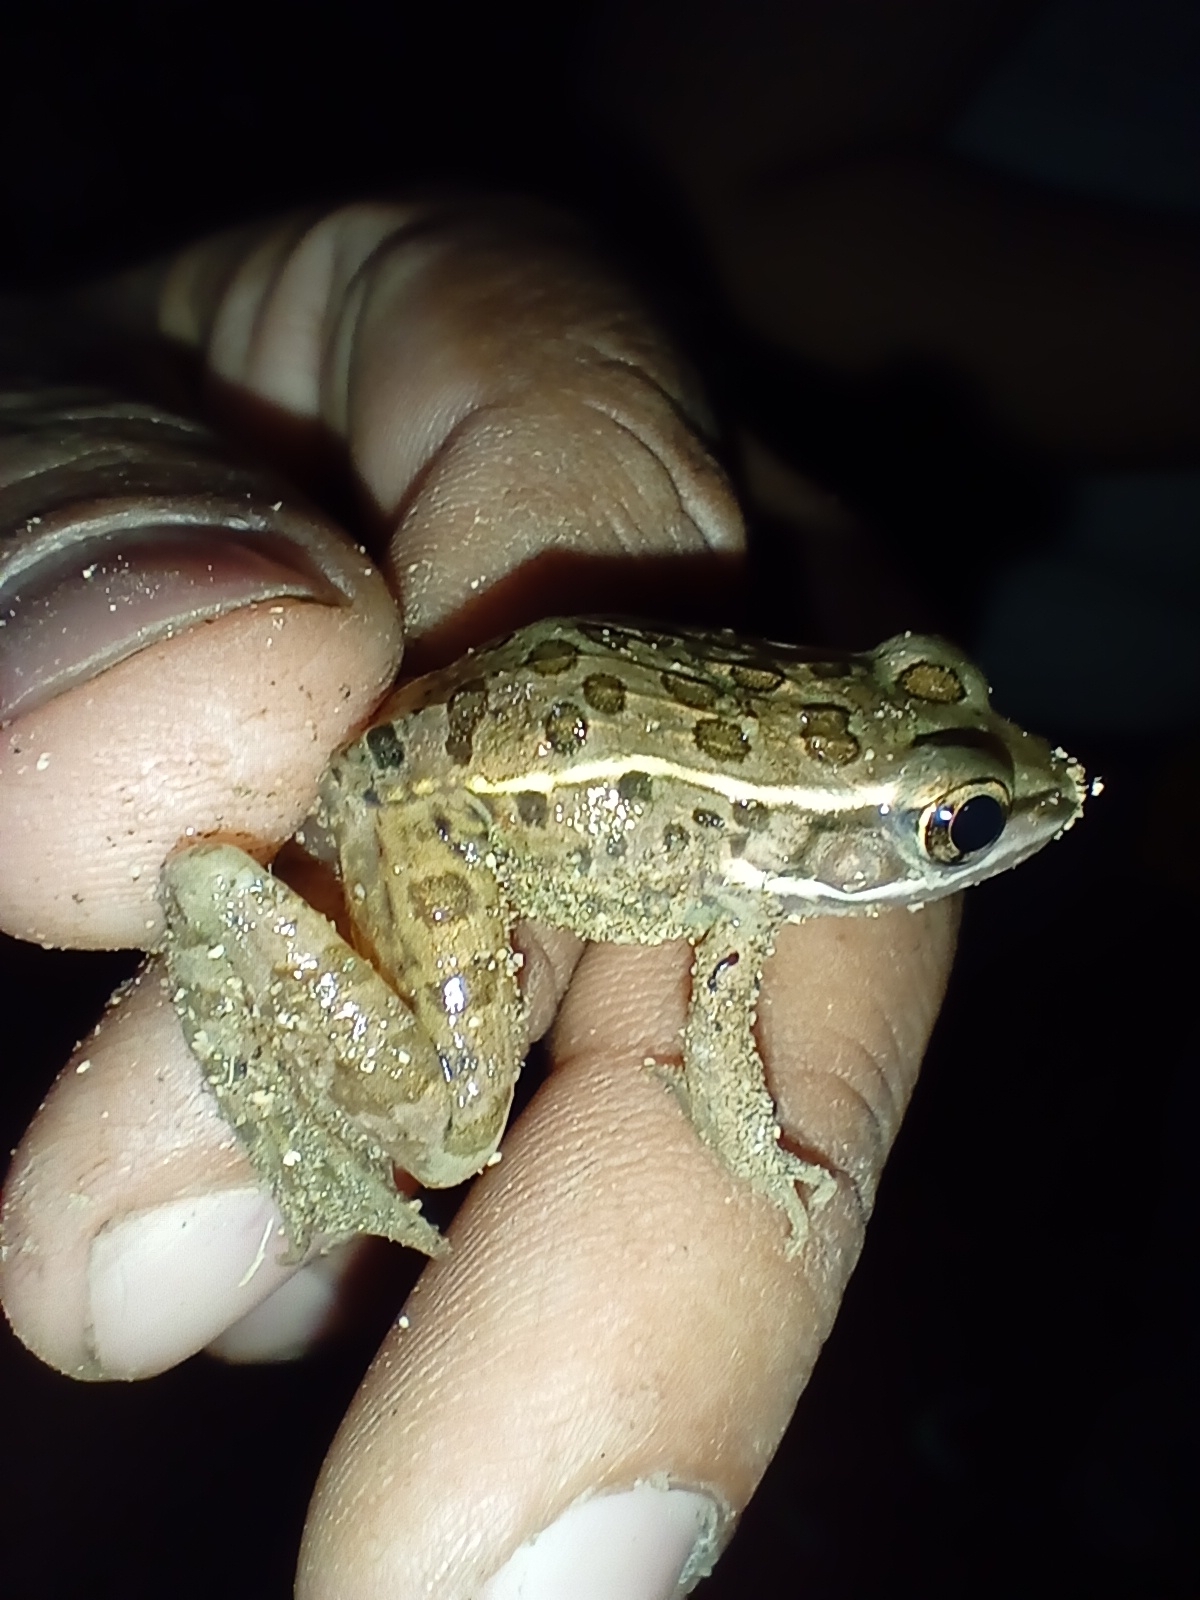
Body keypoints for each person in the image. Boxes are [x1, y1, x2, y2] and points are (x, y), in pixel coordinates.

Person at [0, 200, 958, 1599]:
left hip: (494, 717)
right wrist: (765, 1164)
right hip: (449, 816)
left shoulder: (788, 709)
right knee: (451, 1128)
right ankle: (236, 946)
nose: (967, 841)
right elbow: (723, 1064)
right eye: (952, 831)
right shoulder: (759, 889)